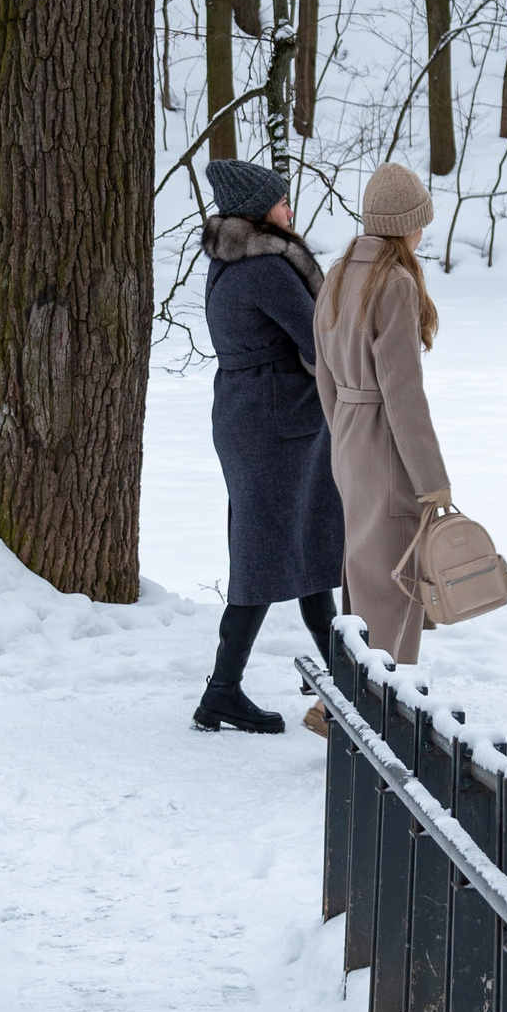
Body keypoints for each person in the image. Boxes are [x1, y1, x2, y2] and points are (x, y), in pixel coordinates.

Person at [193, 158, 345, 735]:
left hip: (251, 413)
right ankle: (222, 693)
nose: (289, 210)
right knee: (268, 551)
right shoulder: (264, 268)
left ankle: (338, 675)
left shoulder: (228, 259)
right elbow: (319, 341)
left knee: (299, 544)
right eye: (282, 201)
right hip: (278, 422)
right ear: (260, 209)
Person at [314, 163, 448, 667]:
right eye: (420, 222)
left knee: (366, 577)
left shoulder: (339, 274)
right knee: (395, 586)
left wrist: (343, 438)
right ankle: (369, 710)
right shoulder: (394, 283)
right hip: (387, 449)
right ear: (407, 226)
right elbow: (404, 394)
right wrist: (434, 483)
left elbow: (324, 375)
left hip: (349, 444)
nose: (422, 231)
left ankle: (347, 704)